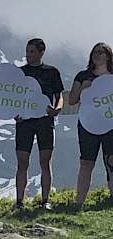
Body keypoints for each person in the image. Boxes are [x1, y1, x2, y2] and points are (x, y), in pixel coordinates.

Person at [13, 38, 64, 210]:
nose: (28, 55)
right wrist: (14, 113)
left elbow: (60, 96)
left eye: (32, 52)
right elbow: (11, 98)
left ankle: (45, 200)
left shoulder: (52, 72)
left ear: (42, 52)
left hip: (45, 120)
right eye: (27, 51)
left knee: (45, 161)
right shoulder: (20, 73)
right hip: (24, 122)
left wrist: (56, 109)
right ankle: (19, 201)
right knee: (22, 162)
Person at [69, 42, 113, 205]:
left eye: (101, 52)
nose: (97, 55)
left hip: (110, 125)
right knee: (86, 162)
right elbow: (72, 100)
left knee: (111, 161)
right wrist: (83, 89)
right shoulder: (82, 76)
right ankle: (79, 202)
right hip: (88, 125)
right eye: (94, 52)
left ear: (108, 55)